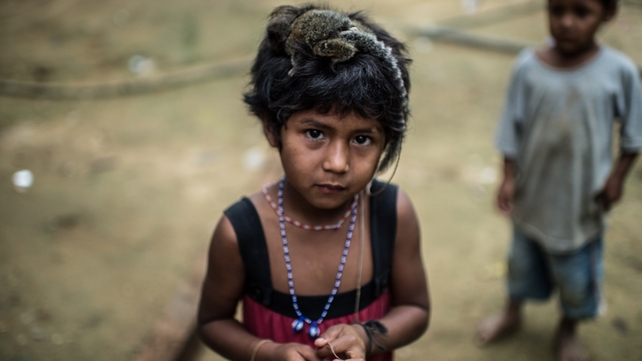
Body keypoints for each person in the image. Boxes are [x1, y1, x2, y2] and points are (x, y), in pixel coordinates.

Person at [197, 4, 430, 361]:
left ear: (387, 140)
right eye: (315, 133)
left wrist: (367, 337)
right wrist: (267, 352)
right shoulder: (240, 233)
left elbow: (415, 308)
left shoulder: (392, 214)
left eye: (362, 139)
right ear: (272, 127)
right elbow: (213, 321)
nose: (337, 163)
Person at [476, 0, 642, 360]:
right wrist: (508, 177)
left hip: (582, 205)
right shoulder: (527, 67)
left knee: (577, 280)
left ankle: (568, 329)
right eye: (557, 10)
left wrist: (617, 178)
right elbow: (511, 129)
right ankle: (512, 312)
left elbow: (633, 137)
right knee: (520, 264)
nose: (567, 22)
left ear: (608, 13)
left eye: (581, 12)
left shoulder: (620, 72)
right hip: (532, 198)